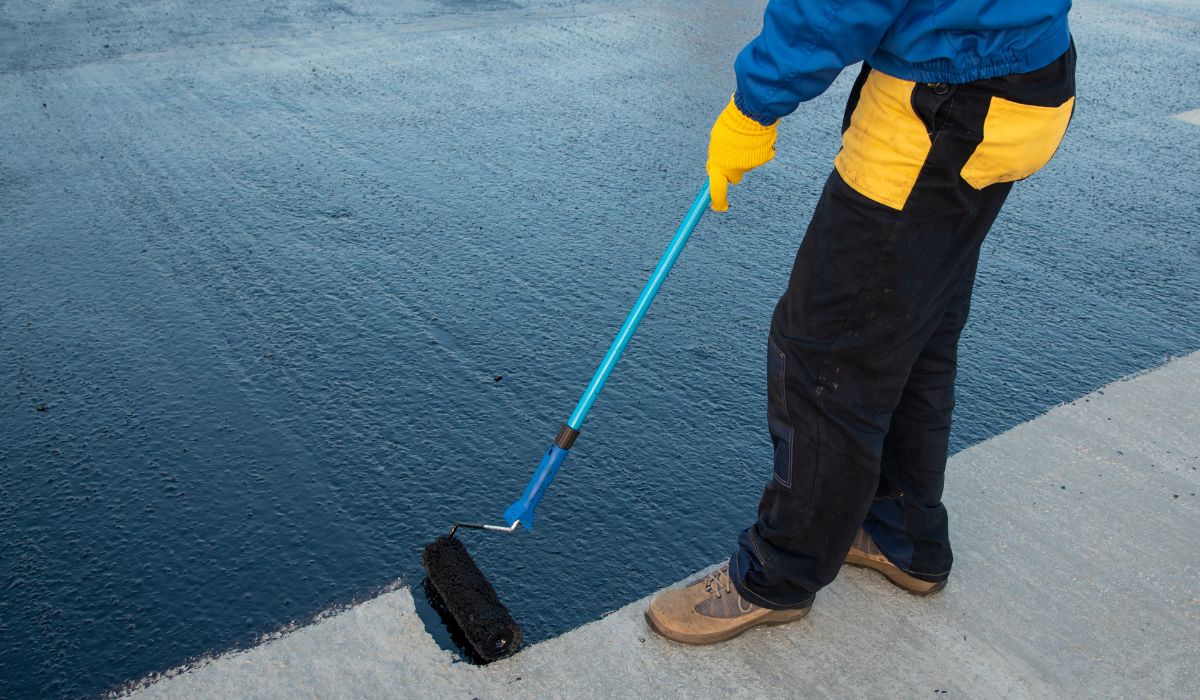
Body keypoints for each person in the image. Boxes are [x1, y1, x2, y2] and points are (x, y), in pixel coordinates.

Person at [645, 0, 1076, 644]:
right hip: (1017, 78)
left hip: (943, 103)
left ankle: (778, 574)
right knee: (913, 333)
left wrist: (754, 105)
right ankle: (901, 533)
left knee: (825, 355)